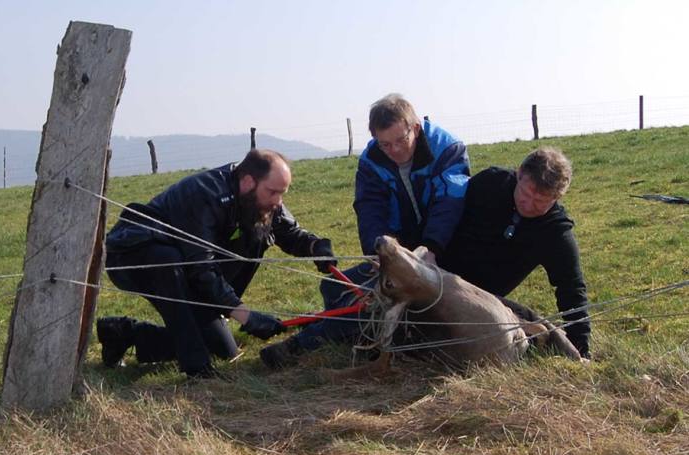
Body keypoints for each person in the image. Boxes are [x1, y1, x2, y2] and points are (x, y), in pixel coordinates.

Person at [260, 93, 470, 369]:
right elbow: (370, 208)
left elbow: (449, 202)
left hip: (445, 248)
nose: (394, 150)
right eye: (385, 144)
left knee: (374, 303)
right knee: (334, 285)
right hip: (400, 249)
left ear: (415, 128)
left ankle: (301, 345)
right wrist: (377, 252)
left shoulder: (448, 149)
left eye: (400, 141)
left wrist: (431, 249)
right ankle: (329, 321)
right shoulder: (372, 159)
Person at [97, 149, 337, 378]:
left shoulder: (262, 201)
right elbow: (201, 266)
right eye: (273, 192)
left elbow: (289, 233)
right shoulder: (204, 195)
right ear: (247, 182)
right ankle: (196, 367)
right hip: (135, 255)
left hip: (187, 266)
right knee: (166, 262)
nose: (278, 201)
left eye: (282, 193)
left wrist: (316, 247)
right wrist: (245, 315)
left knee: (223, 349)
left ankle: (122, 333)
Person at [438, 147, 591, 358]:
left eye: (540, 202)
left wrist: (582, 347)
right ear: (519, 174)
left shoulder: (555, 233)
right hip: (439, 278)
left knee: (538, 326)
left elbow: (571, 289)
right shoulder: (489, 184)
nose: (528, 205)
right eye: (525, 194)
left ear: (557, 198)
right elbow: (443, 216)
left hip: (484, 302)